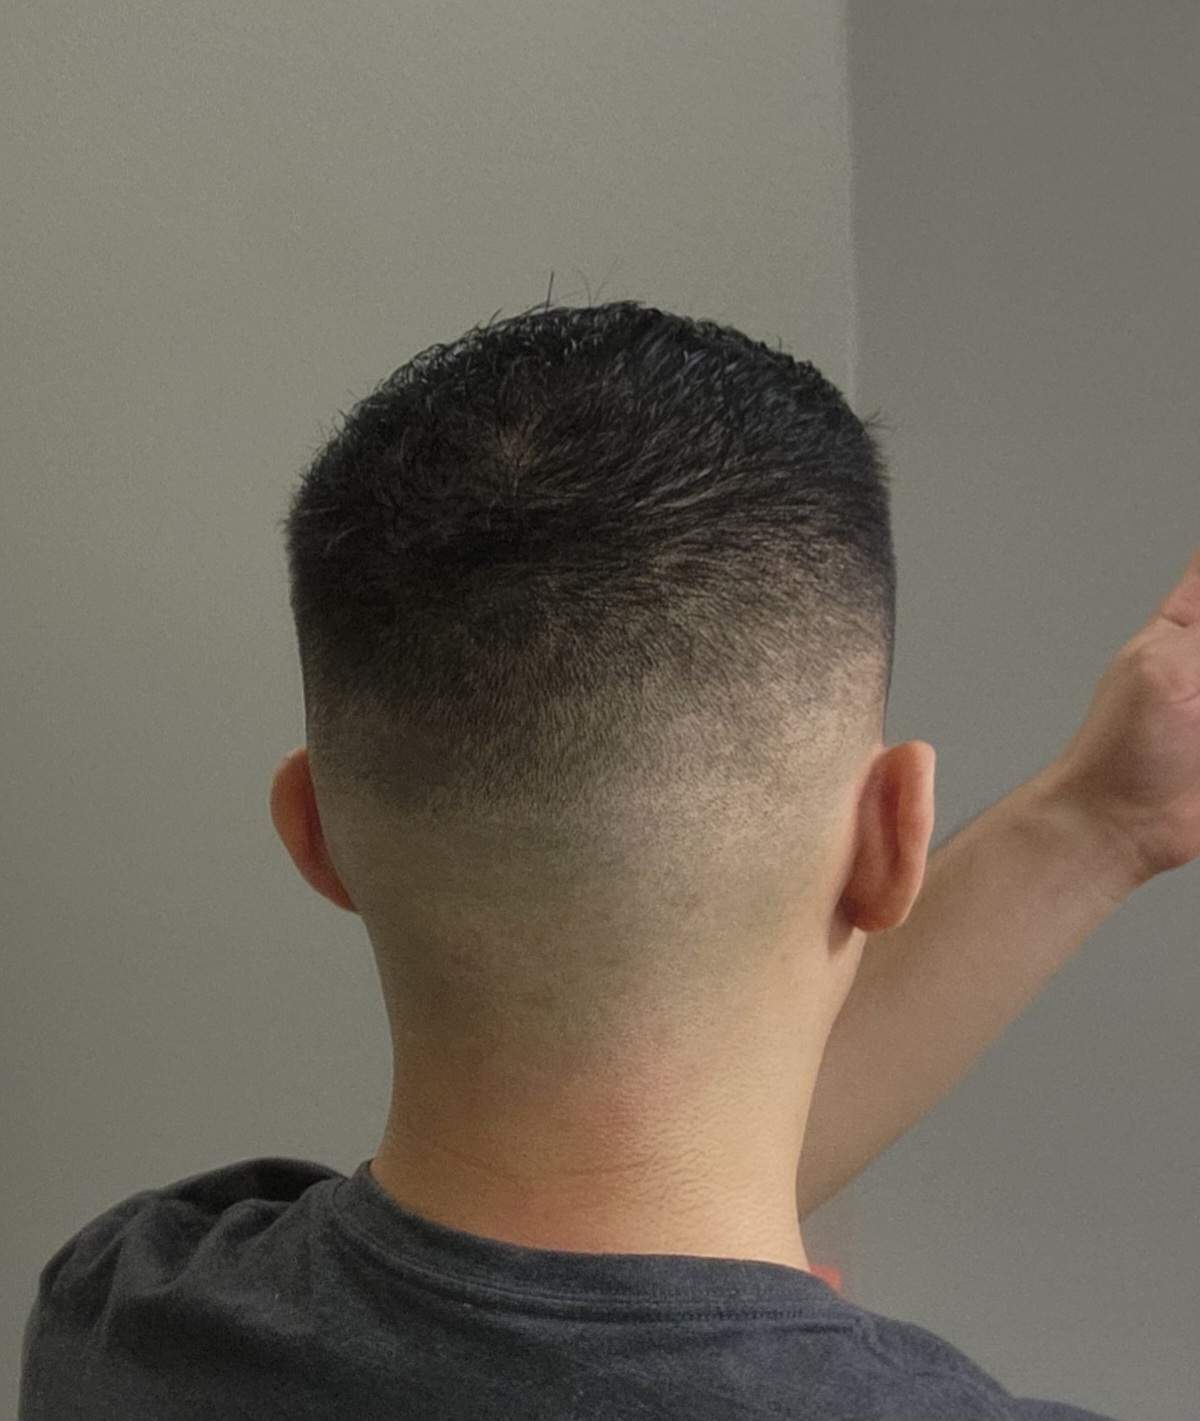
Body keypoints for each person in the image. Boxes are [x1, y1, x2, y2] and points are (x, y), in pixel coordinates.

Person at [20, 301, 1197, 1421]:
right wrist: (1091, 824)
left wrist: (1104, 820)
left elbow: (587, 1257)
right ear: (897, 835)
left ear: (313, 832)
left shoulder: (122, 1320)